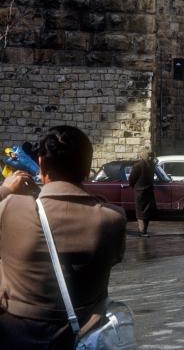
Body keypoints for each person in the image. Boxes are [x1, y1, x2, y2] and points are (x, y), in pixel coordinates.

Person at [0, 125, 127, 348]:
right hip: (81, 337)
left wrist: (5, 190)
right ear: (87, 167)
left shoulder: (11, 208)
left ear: (40, 164)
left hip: (15, 336)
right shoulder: (112, 219)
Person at [129, 148, 157, 237]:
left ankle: (143, 231)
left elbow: (131, 179)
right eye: (150, 155)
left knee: (143, 211)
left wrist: (134, 186)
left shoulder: (140, 165)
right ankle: (142, 231)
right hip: (143, 191)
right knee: (142, 211)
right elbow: (132, 178)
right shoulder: (145, 165)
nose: (151, 157)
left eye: (152, 156)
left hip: (142, 190)